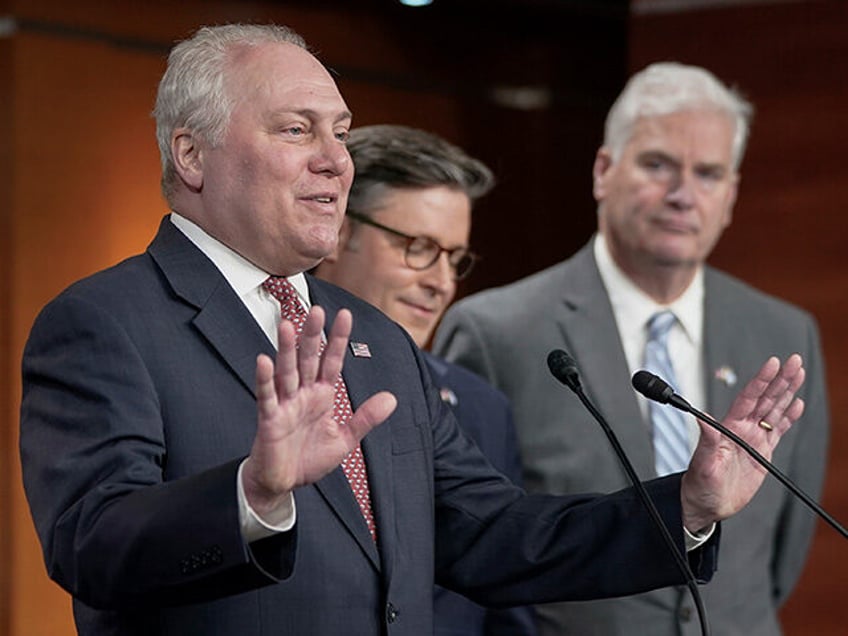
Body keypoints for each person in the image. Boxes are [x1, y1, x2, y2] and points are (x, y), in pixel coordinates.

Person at [19, 25, 806, 636]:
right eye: (298, 130)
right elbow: (91, 544)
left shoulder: (376, 342)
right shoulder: (104, 323)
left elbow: (492, 532)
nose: (337, 159)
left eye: (341, 131)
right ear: (192, 155)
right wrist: (251, 495)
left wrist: (687, 506)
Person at [434, 62, 829, 636]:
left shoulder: (785, 334)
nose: (682, 195)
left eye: (709, 174)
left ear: (732, 195)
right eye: (657, 165)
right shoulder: (497, 331)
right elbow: (473, 544)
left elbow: (783, 551)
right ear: (603, 170)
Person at [313, 123, 537, 635]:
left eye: (455, 259)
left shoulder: (483, 408)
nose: (441, 283)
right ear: (336, 233)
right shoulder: (251, 376)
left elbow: (506, 598)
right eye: (418, 247)